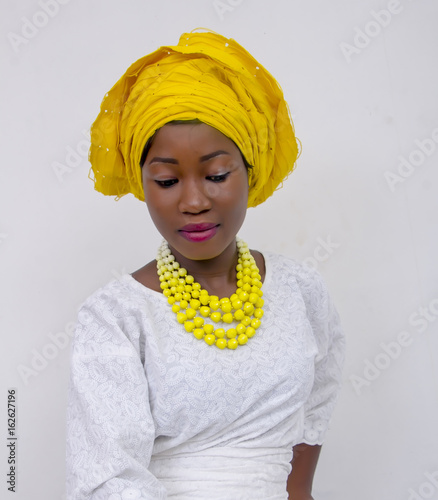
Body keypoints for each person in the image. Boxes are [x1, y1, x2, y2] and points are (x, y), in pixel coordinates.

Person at [66, 29, 345, 500]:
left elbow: (319, 398)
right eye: (167, 179)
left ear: (250, 171)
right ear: (143, 183)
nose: (194, 201)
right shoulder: (114, 318)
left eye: (216, 175)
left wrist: (299, 492)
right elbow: (109, 477)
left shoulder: (299, 288)